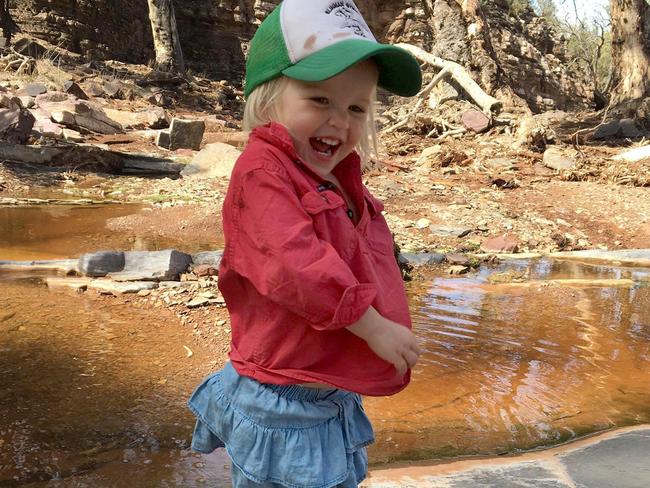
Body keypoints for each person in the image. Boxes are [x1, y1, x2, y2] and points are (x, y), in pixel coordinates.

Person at [188, 1, 423, 486]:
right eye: (320, 101)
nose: (340, 121)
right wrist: (374, 327)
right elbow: (295, 262)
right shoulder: (261, 173)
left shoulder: (333, 177)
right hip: (284, 400)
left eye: (356, 108)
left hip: (326, 387)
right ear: (268, 96)